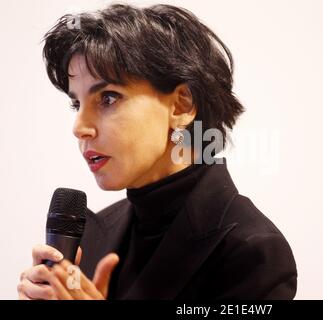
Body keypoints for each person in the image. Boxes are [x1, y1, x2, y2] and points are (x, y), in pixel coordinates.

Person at [17, 3, 297, 300]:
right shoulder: (91, 235)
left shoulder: (251, 251)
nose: (79, 127)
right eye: (77, 104)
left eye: (108, 98)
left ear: (181, 106)